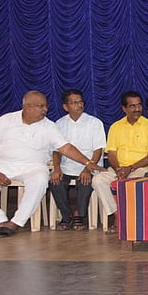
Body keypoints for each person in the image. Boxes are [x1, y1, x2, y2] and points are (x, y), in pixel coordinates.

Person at [0, 91, 104, 237]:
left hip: (32, 167)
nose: (45, 110)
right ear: (27, 107)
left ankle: (15, 223)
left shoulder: (49, 126)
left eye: (45, 106)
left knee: (40, 179)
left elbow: (65, 148)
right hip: (1, 164)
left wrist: (87, 163)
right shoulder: (5, 121)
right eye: (40, 106)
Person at [91, 91, 148, 234]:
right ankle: (118, 217)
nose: (137, 109)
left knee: (136, 180)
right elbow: (112, 154)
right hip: (119, 169)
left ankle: (134, 219)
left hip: (141, 168)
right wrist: (118, 169)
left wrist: (130, 168)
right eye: (132, 106)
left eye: (139, 105)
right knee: (98, 180)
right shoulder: (116, 127)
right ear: (124, 109)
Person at [48, 89, 107, 231]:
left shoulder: (94, 123)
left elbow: (98, 150)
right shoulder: (59, 124)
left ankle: (80, 215)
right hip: (66, 166)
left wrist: (87, 168)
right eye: (75, 103)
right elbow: (56, 151)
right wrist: (57, 168)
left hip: (90, 165)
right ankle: (66, 215)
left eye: (81, 102)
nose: (79, 105)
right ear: (65, 107)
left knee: (85, 181)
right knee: (55, 182)